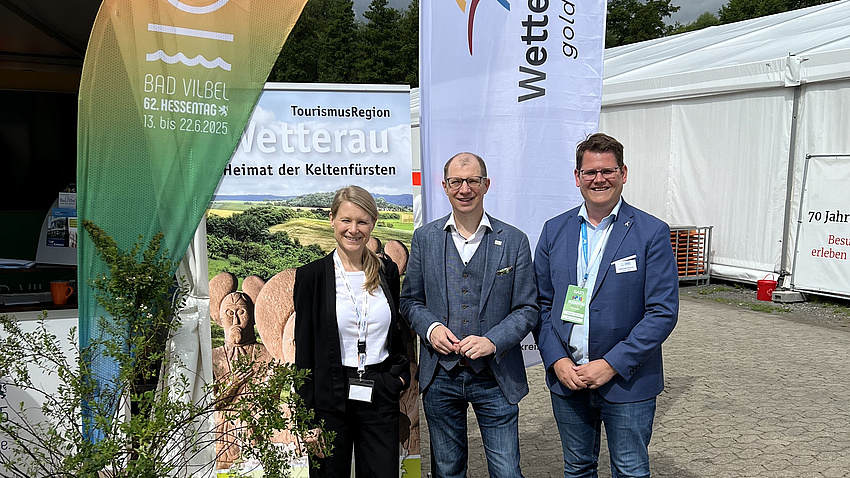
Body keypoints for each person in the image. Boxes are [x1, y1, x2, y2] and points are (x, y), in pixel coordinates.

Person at [533, 133, 679, 478]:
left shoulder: (651, 231)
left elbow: (662, 312)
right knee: (577, 468)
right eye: (590, 172)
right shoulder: (554, 230)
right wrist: (557, 361)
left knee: (629, 470)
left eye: (608, 171)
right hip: (568, 378)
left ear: (623, 173)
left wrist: (611, 364)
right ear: (577, 177)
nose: (599, 179)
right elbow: (540, 304)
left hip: (628, 381)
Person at [400, 152, 538, 477]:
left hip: (495, 377)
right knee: (448, 471)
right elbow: (410, 301)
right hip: (440, 376)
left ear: (486, 184)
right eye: (457, 182)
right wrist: (431, 328)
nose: (465, 189)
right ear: (444, 186)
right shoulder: (425, 238)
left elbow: (528, 308)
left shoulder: (514, 241)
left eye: (472, 180)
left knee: (506, 471)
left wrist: (493, 340)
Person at [294, 185, 410, 478]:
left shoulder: (387, 272)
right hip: (328, 398)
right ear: (332, 219)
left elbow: (396, 331)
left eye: (362, 221)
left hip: (379, 389)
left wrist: (397, 377)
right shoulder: (311, 277)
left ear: (372, 224)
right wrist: (307, 419)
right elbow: (303, 351)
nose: (353, 230)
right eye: (346, 220)